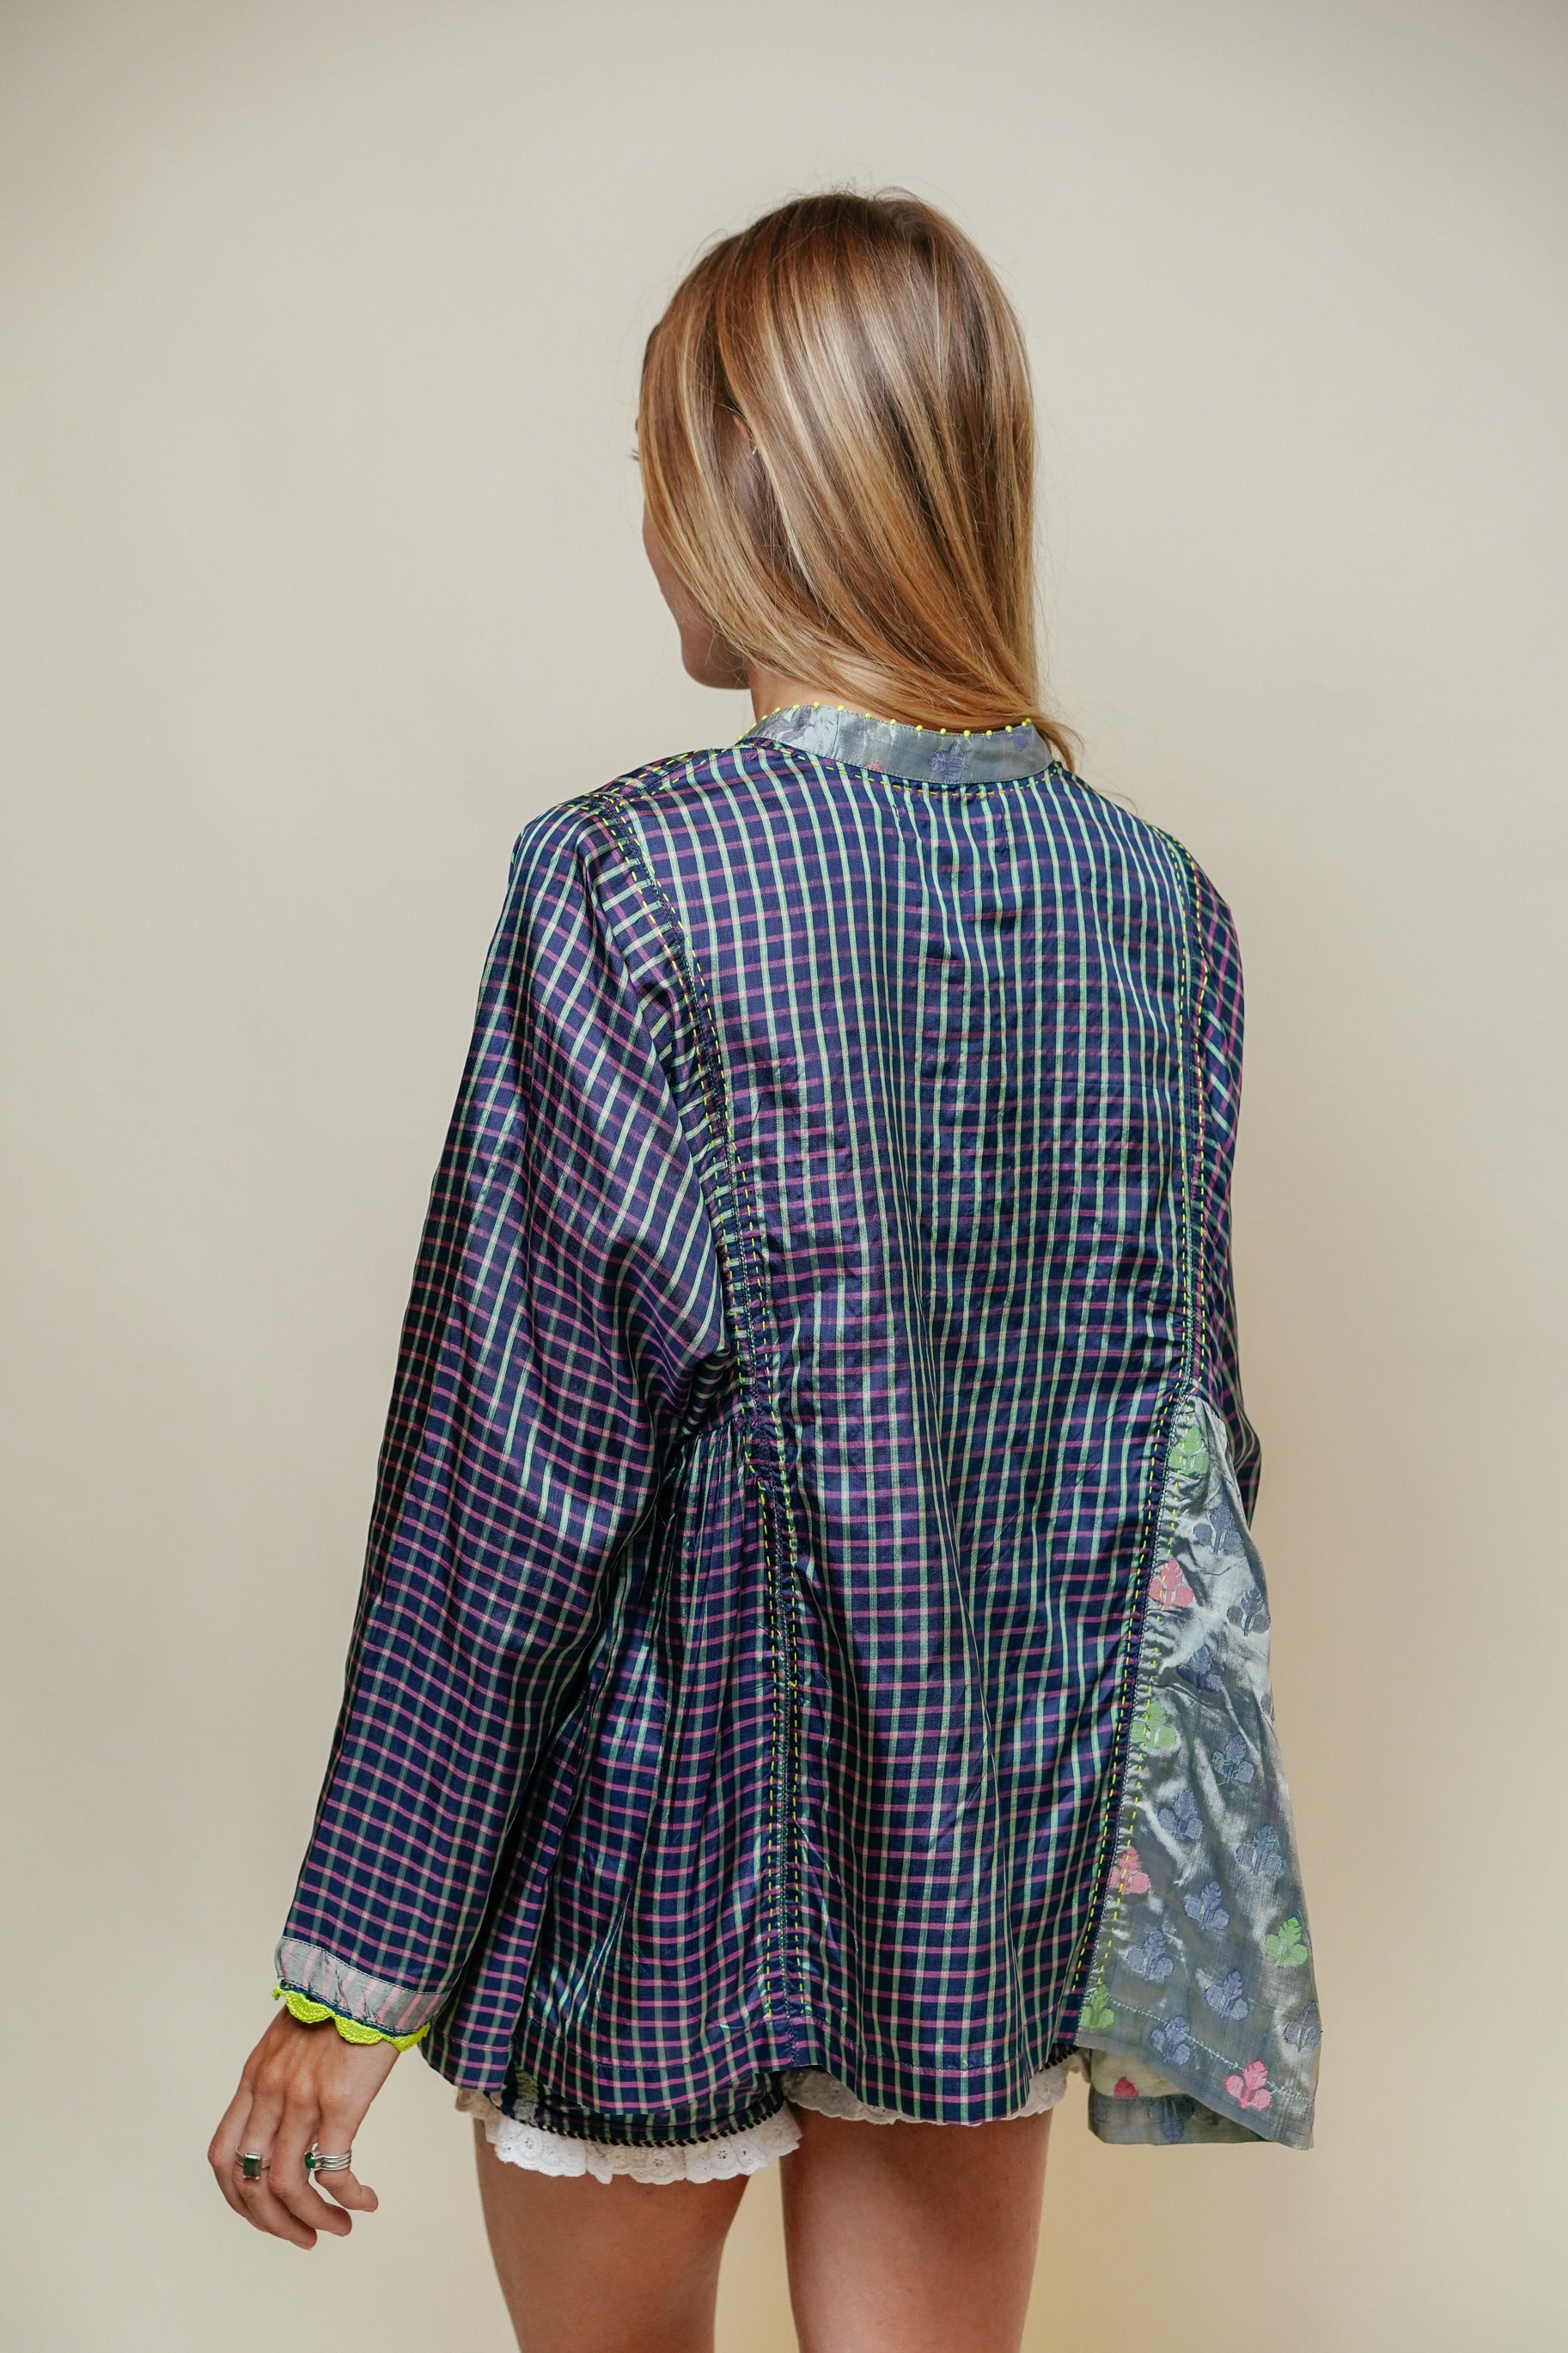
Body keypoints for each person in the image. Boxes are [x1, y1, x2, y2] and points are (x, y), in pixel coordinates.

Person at [209, 190, 1321, 2353]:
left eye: (653, 462)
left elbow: (516, 1467)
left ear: (740, 471)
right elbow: (1191, 1458)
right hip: (981, 1859)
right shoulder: (1160, 908)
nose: (645, 521)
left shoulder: (625, 880)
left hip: (662, 1842)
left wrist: (352, 1973)